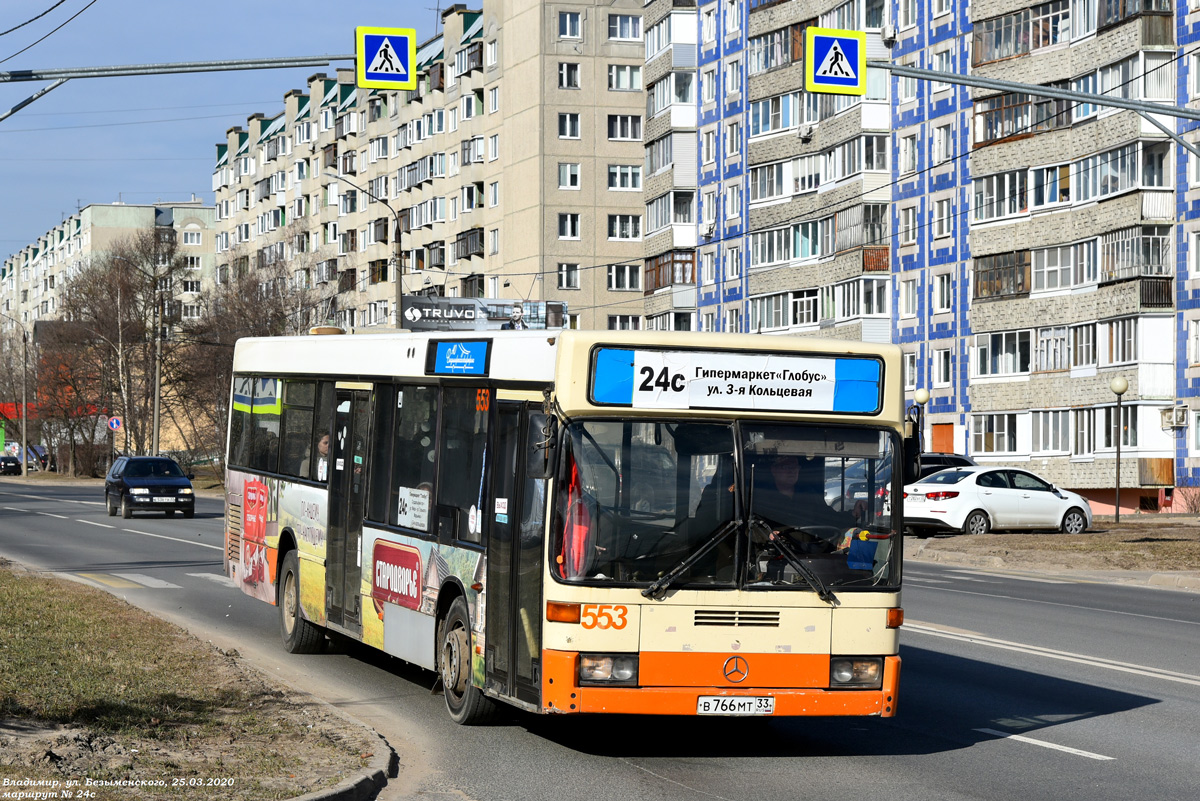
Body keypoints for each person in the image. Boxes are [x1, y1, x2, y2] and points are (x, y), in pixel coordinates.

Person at [751, 454, 856, 539]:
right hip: (777, 557)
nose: (792, 471)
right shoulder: (761, 498)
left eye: (795, 467)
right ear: (774, 470)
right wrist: (767, 535)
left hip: (808, 556)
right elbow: (751, 527)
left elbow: (829, 518)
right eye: (786, 467)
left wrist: (854, 514)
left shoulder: (809, 495)